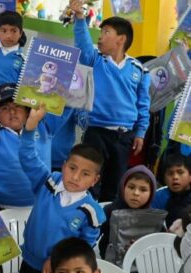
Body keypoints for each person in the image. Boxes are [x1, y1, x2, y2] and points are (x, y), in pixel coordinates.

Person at [70, 0, 150, 201]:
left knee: (114, 185)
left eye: (106, 32)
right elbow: (83, 44)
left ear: (121, 39)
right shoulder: (96, 59)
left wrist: (141, 132)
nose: (100, 36)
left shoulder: (139, 69)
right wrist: (79, 17)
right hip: (96, 132)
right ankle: (86, 216)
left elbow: (143, 104)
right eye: (101, 31)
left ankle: (106, 218)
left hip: (124, 137)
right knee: (89, 182)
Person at [17, 107, 105, 273]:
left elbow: (83, 249)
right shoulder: (48, 182)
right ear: (64, 166)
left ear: (95, 180)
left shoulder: (92, 212)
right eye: (72, 168)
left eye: (85, 174)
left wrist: (57, 260)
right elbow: (28, 157)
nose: (76, 177)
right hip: (28, 263)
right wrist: (30, 127)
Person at [0, 85, 71, 208]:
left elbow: (67, 105)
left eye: (17, 106)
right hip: (1, 206)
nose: (12, 111)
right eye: (5, 108)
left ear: (27, 111)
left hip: (40, 204)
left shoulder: (44, 127)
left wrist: (66, 82)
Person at [99, 165, 158, 258]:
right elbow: (93, 235)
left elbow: (158, 245)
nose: (136, 193)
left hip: (142, 263)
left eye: (143, 190)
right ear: (123, 187)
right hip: (110, 262)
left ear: (151, 194)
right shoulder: (110, 210)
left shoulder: (154, 217)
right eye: (131, 187)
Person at [151, 153, 191, 227]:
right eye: (170, 173)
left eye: (180, 172)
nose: (175, 177)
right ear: (164, 178)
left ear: (190, 176)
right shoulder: (159, 196)